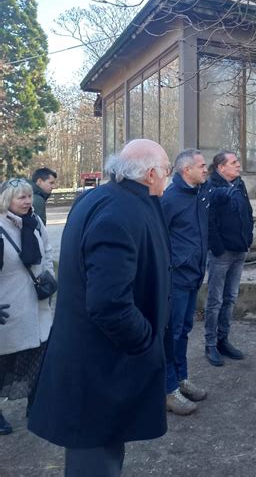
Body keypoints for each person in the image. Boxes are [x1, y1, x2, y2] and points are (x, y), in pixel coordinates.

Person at [28, 139, 172, 477]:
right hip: (99, 367)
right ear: (150, 174)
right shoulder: (119, 212)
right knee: (94, 459)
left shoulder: (105, 198)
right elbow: (109, 303)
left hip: (98, 363)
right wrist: (145, 341)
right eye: (166, 171)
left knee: (104, 447)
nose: (168, 178)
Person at [0, 178, 55, 436]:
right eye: (19, 197)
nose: (26, 201)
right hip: (9, 309)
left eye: (27, 196)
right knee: (5, 363)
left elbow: (47, 249)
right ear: (6, 200)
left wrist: (49, 278)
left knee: (40, 357)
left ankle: (37, 405)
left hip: (38, 303)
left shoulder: (35, 222)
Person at [160, 149, 211, 416]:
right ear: (186, 170)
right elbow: (159, 239)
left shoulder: (199, 194)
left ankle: (181, 378)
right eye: (201, 166)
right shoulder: (170, 199)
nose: (206, 169)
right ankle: (168, 390)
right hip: (176, 278)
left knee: (185, 329)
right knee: (173, 332)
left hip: (194, 274)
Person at [204, 150, 254, 366]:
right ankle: (210, 344)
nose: (238, 165)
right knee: (215, 301)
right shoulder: (211, 187)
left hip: (239, 250)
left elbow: (247, 213)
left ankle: (224, 340)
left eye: (238, 161)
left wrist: (248, 238)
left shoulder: (240, 185)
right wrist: (217, 248)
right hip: (221, 253)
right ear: (220, 167)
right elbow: (208, 220)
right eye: (234, 162)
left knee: (230, 298)